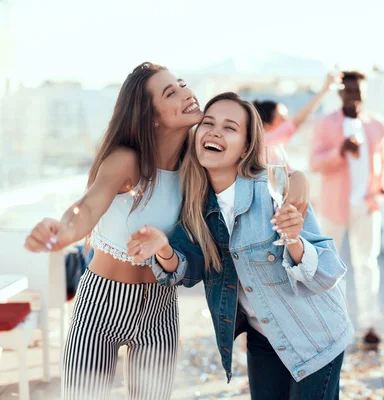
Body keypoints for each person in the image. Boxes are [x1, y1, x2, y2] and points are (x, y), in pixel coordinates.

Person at [23, 63, 310, 400]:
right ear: (151, 115)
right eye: (170, 92)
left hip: (161, 308)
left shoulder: (200, 161)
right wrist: (61, 231)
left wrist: (300, 181)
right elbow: (86, 207)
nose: (187, 93)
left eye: (183, 84)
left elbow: (261, 167)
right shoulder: (126, 161)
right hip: (100, 304)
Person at [127, 92, 352, 400]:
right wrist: (163, 248)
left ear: (247, 146)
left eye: (230, 127)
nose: (215, 131)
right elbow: (190, 268)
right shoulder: (196, 206)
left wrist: (295, 239)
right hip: (265, 338)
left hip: (314, 335)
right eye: (208, 123)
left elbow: (327, 271)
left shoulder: (273, 193)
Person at [310, 71, 384, 349]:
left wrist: (381, 190)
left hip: (367, 205)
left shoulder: (377, 124)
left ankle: (370, 324)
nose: (355, 96)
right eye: (350, 90)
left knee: (367, 264)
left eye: (359, 91)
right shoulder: (325, 123)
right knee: (329, 265)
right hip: (334, 206)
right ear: (340, 92)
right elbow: (314, 163)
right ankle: (328, 323)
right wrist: (339, 151)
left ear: (365, 93)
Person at [253, 73, 338, 146]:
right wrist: (325, 89)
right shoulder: (268, 141)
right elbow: (299, 118)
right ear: (267, 125)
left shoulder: (268, 143)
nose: (287, 120)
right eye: (282, 118)